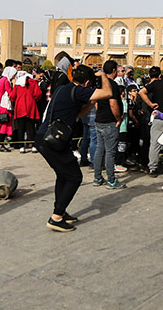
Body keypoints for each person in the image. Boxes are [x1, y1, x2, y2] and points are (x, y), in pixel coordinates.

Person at [36, 64, 113, 232]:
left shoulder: (64, 89)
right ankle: (56, 218)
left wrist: (91, 103)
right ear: (87, 82)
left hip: (47, 138)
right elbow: (108, 93)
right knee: (74, 177)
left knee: (63, 175)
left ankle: (60, 212)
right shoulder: (79, 91)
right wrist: (104, 76)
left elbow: (77, 114)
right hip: (53, 141)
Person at [92, 60, 124, 188]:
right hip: (109, 121)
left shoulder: (99, 84)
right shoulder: (112, 85)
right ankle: (111, 179)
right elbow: (113, 103)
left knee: (100, 150)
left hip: (99, 120)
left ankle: (97, 177)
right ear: (114, 71)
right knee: (110, 152)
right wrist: (118, 119)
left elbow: (95, 101)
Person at [140, 64, 163, 176]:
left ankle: (153, 168)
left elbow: (141, 92)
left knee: (154, 144)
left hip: (159, 116)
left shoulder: (157, 83)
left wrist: (151, 104)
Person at [13, 69, 42, 153]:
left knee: (20, 127)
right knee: (31, 126)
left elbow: (13, 95)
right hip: (30, 105)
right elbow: (38, 94)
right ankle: (33, 145)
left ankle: (21, 146)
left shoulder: (18, 84)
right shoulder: (33, 83)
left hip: (20, 106)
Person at [0, 66, 17, 151]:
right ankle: (0, 145)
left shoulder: (0, 79)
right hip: (4, 105)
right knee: (4, 124)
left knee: (0, 123)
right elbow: (11, 93)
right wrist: (14, 85)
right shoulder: (6, 81)